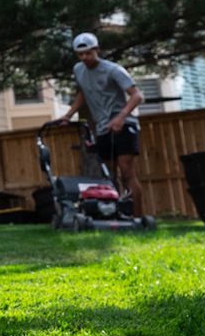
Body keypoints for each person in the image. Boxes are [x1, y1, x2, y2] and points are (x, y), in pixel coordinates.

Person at [51, 32, 147, 211]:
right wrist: (69, 115)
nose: (85, 57)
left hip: (124, 126)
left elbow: (137, 95)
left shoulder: (113, 70)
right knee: (109, 176)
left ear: (97, 50)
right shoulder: (78, 70)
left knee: (126, 172)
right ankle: (116, 214)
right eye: (80, 54)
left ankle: (138, 218)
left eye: (88, 53)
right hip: (103, 128)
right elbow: (83, 94)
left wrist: (120, 117)